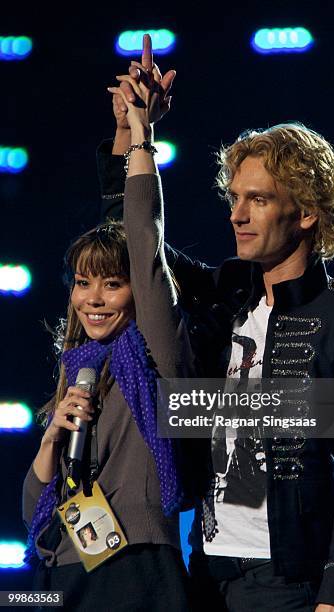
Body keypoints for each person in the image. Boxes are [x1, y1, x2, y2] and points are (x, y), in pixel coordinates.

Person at [100, 36, 334, 612]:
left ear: (308, 212)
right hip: (207, 574)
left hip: (291, 584)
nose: (236, 214)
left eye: (257, 200)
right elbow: (136, 246)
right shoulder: (226, 297)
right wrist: (131, 136)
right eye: (235, 197)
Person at [22, 47, 196, 611]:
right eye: (83, 283)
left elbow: (139, 243)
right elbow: (32, 508)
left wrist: (142, 141)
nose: (94, 299)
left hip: (137, 570)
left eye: (112, 286)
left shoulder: (155, 354)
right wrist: (52, 438)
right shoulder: (78, 370)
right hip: (65, 570)